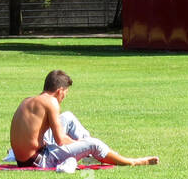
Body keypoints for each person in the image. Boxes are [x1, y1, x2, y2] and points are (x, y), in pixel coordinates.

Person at [9, 70, 158, 170]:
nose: (63, 98)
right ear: (60, 90)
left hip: (26, 157)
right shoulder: (51, 102)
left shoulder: (29, 100)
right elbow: (60, 140)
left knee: (68, 117)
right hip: (38, 160)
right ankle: (131, 161)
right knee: (93, 144)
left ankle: (96, 154)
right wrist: (84, 146)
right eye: (65, 94)